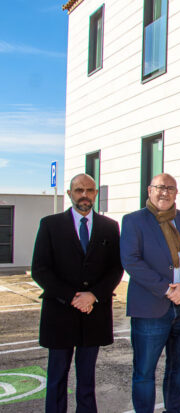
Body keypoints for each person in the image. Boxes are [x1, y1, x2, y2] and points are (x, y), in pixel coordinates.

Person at [31, 173, 124, 413]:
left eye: (89, 190)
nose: (84, 195)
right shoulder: (50, 225)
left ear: (95, 194)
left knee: (87, 381)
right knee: (57, 379)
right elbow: (40, 269)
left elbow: (116, 267)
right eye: (79, 190)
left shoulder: (109, 227)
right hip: (60, 314)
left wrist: (93, 295)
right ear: (71, 193)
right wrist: (74, 297)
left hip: (94, 314)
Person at [120, 173, 180, 413]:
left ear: (176, 192)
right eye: (160, 187)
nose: (165, 192)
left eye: (170, 188)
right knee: (145, 372)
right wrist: (167, 289)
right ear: (149, 190)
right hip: (150, 308)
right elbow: (131, 261)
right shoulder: (133, 221)